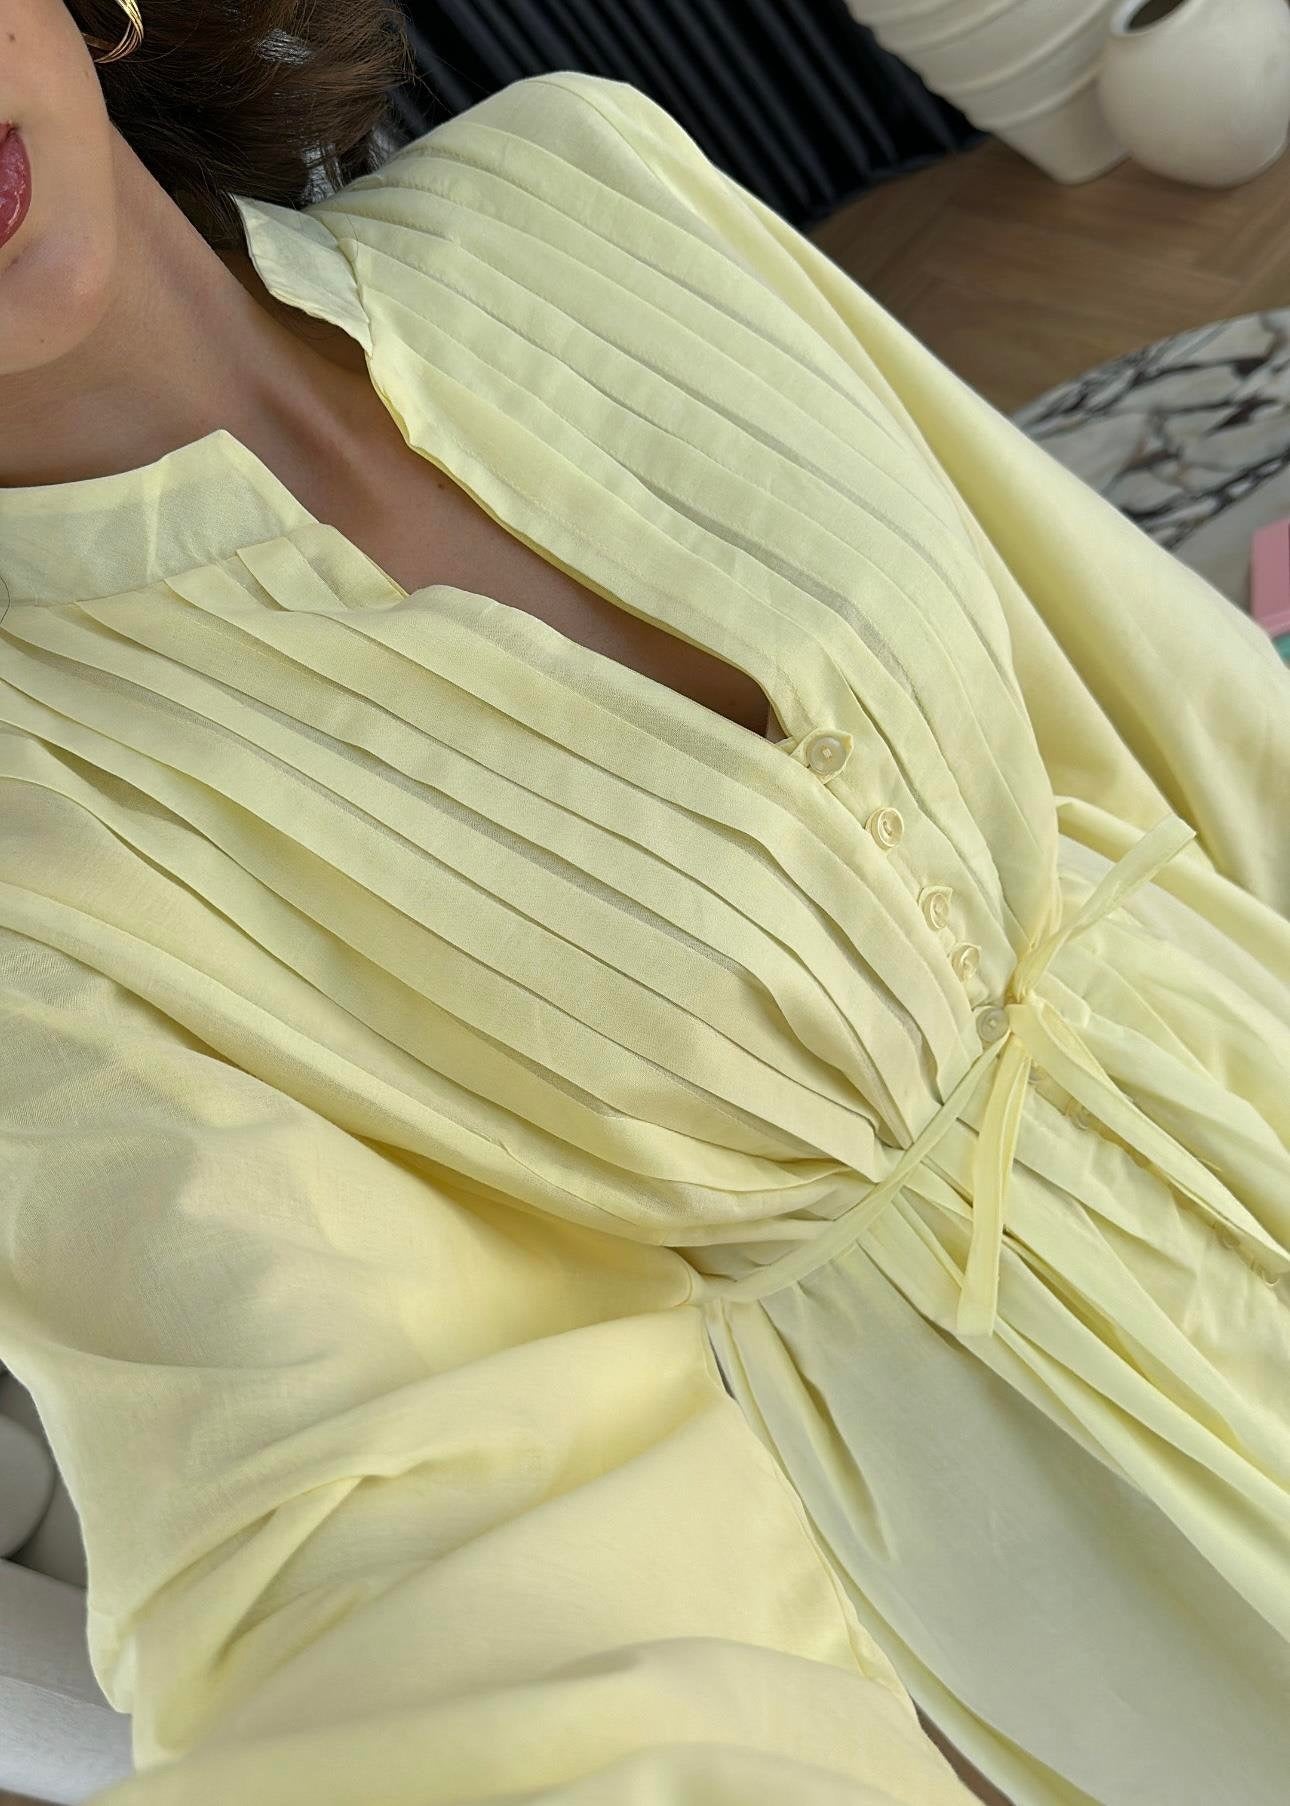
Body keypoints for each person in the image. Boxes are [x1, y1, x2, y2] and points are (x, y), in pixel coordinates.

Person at [1, 5, 1286, 1805]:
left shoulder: (586, 179)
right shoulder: (34, 848)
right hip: (1089, 1521)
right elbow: (373, 1529)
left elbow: (1148, 690)